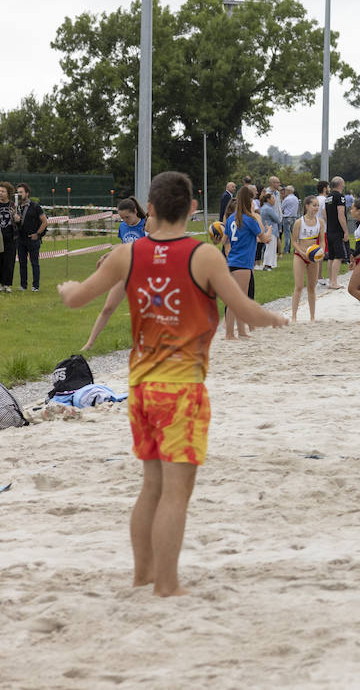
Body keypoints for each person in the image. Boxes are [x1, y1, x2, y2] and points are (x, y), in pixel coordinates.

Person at [59, 170, 286, 597]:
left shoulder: (127, 254)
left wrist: (66, 285)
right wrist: (274, 318)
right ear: (193, 209)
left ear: (149, 209)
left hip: (141, 387)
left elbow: (76, 298)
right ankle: (166, 584)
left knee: (151, 487)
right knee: (176, 495)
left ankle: (142, 574)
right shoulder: (203, 256)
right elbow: (246, 309)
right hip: (181, 388)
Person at [81, 197, 148, 352]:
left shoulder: (146, 225)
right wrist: (106, 256)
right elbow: (123, 246)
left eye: (127, 217)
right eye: (122, 218)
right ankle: (89, 343)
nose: (125, 221)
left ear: (135, 212)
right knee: (108, 308)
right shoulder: (123, 227)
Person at [223, 186, 272, 339]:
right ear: (249, 200)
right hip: (243, 263)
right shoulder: (249, 219)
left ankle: (241, 331)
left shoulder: (232, 218)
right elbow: (263, 239)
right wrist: (269, 230)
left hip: (232, 261)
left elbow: (225, 240)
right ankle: (231, 333)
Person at [290, 195, 325, 323]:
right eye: (314, 205)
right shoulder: (299, 222)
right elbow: (294, 241)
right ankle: (294, 316)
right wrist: (301, 252)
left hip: (313, 257)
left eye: (317, 205)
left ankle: (312, 317)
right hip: (300, 255)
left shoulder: (320, 222)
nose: (317, 208)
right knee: (298, 286)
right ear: (307, 206)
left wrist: (320, 252)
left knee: (311, 287)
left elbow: (322, 241)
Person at [15, 182, 48, 291]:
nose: (19, 194)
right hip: (21, 239)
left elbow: (44, 221)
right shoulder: (17, 207)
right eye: (18, 192)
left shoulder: (35, 206)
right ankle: (23, 285)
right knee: (22, 263)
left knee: (34, 263)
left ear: (27, 193)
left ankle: (35, 286)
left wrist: (38, 234)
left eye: (21, 192)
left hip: (33, 239)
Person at [0, 181, 17, 292]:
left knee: (9, 262)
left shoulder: (14, 205)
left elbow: (19, 222)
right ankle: (0, 284)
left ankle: (7, 284)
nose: (0, 193)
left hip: (10, 238)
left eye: (3, 191)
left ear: (8, 193)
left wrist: (17, 219)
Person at [258, 191, 280, 270]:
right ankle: (267, 264)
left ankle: (272, 264)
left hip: (268, 229)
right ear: (268, 199)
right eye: (273, 198)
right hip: (270, 230)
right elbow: (277, 219)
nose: (274, 200)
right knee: (270, 248)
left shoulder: (265, 207)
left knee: (272, 248)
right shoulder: (268, 209)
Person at [280, 184, 299, 255]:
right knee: (294, 235)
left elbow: (281, 208)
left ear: (288, 191)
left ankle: (287, 250)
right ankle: (295, 249)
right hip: (294, 217)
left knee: (287, 235)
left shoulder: (287, 199)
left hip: (287, 217)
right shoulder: (296, 198)